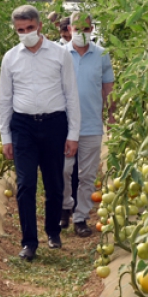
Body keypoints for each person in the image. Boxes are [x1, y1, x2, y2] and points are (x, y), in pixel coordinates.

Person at [0, 5, 80, 261]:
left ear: (40, 26)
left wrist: (73, 133)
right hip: (23, 126)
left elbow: (71, 94)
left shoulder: (59, 54)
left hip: (55, 124)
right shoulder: (10, 58)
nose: (26, 33)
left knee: (55, 183)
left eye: (30, 28)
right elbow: (5, 98)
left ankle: (53, 231)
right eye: (20, 30)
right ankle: (29, 242)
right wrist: (5, 137)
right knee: (26, 185)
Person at [63, 12, 115, 237]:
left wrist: (111, 116)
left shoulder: (102, 55)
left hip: (92, 123)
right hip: (63, 125)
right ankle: (65, 206)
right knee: (63, 170)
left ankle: (81, 217)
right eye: (77, 29)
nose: (82, 33)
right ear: (69, 30)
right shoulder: (60, 54)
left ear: (92, 29)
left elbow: (108, 88)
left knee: (87, 175)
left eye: (86, 29)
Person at [56, 16, 80, 228]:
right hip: (63, 116)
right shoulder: (56, 52)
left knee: (79, 169)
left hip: (86, 117)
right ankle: (65, 208)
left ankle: (78, 212)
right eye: (64, 35)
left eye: (68, 34)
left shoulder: (94, 51)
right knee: (65, 168)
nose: (67, 38)